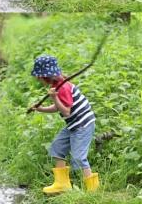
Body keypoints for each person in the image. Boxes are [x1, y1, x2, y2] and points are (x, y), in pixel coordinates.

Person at [28, 55, 100, 194]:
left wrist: (54, 98)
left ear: (45, 76)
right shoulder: (57, 86)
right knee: (57, 147)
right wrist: (41, 109)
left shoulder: (64, 88)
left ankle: (94, 190)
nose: (38, 79)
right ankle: (62, 184)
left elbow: (66, 111)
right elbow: (58, 107)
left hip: (83, 125)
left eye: (39, 76)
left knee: (78, 158)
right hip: (74, 125)